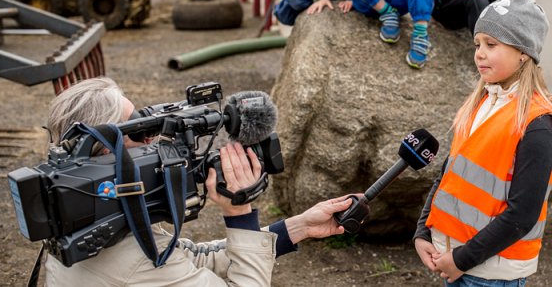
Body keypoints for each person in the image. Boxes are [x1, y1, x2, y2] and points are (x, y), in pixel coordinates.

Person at [43, 77, 353, 286]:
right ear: (104, 158)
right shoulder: (131, 263)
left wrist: (299, 228)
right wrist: (239, 213)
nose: (153, 141)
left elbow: (193, 260)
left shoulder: (83, 225)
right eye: (137, 133)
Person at [414, 0, 552, 286]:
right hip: (456, 260)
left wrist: (461, 259)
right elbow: (448, 173)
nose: (479, 54)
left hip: (490, 275)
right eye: (477, 44)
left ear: (523, 52)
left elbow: (522, 214)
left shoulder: (539, 125)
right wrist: (424, 230)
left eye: (491, 44)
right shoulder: (481, 102)